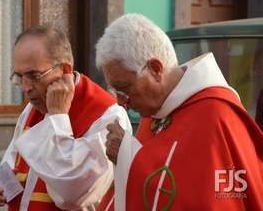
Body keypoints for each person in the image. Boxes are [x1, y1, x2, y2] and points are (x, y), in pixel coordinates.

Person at [95, 14, 263, 211]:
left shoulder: (215, 116)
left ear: (155, 69)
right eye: (115, 91)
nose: (120, 101)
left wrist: (127, 156)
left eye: (124, 87)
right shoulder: (156, 112)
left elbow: (208, 201)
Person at [0, 26, 131, 211]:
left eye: (34, 76)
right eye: (19, 77)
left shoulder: (108, 115)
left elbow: (74, 195)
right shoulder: (33, 107)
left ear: (64, 70)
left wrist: (58, 117)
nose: (26, 88)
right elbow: (12, 162)